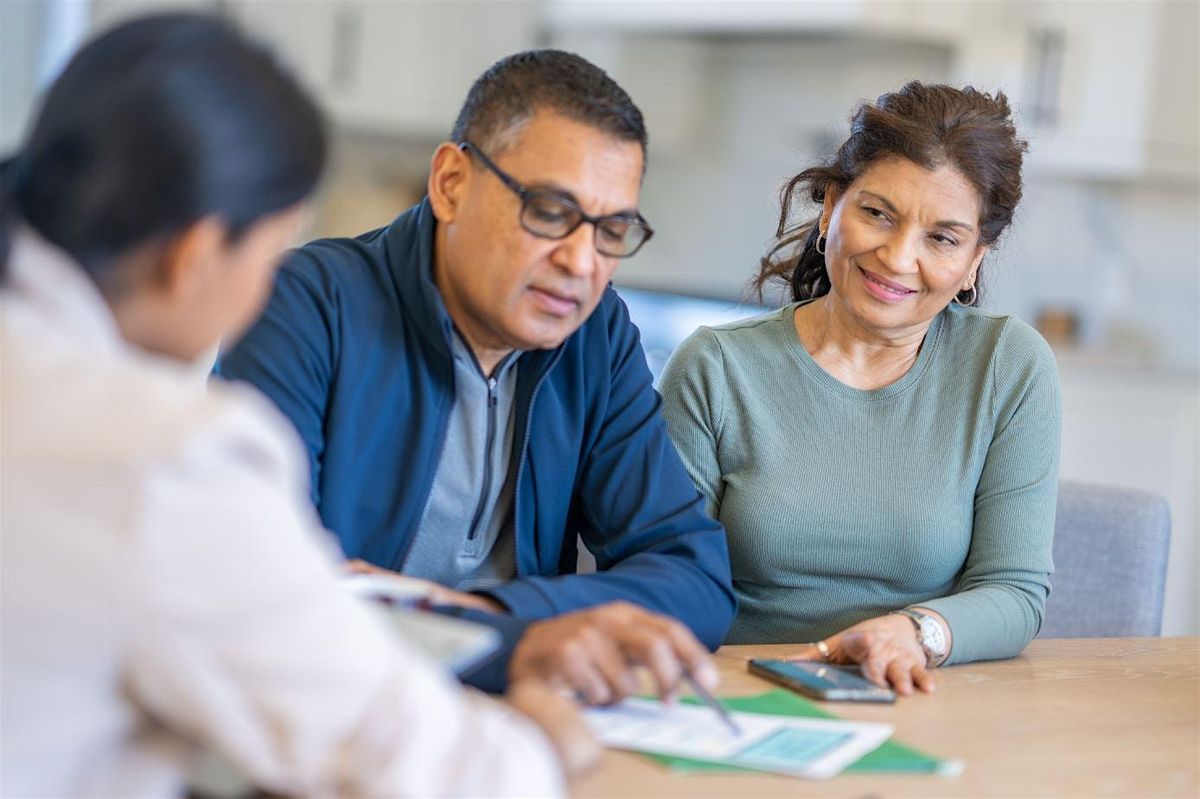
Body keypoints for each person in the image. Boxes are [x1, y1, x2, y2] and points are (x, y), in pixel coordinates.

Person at [0, 14, 595, 797]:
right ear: (196, 255)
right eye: (268, 250)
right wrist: (542, 737)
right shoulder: (159, 455)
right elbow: (399, 754)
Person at [214, 49, 736, 704]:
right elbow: (255, 586)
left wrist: (488, 616)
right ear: (451, 182)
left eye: (612, 230)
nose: (581, 262)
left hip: (509, 720)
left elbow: (696, 576)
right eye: (549, 210)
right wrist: (521, 638)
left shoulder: (595, 335)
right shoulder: (303, 306)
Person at [659, 82, 1061, 696]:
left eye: (943, 238)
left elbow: (1015, 589)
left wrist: (913, 632)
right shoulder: (714, 367)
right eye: (877, 213)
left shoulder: (1008, 366)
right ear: (830, 209)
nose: (899, 258)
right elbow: (663, 577)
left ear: (976, 258)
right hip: (740, 695)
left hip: (919, 694)